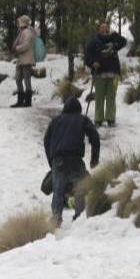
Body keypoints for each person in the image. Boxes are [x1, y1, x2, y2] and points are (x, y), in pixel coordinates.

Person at [43, 96, 101, 225]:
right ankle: (79, 217)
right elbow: (95, 136)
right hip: (75, 159)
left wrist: (51, 161)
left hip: (58, 160)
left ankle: (56, 217)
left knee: (58, 189)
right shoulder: (82, 119)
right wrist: (94, 158)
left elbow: (46, 140)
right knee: (80, 187)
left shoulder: (55, 121)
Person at [83, 22, 128, 126]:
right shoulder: (93, 42)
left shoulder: (113, 40)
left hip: (113, 74)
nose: (104, 29)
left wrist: (114, 33)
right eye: (102, 28)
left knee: (111, 98)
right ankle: (98, 119)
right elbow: (87, 57)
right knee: (99, 97)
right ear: (98, 29)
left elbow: (124, 42)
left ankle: (110, 119)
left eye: (106, 28)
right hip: (99, 74)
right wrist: (92, 63)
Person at [11, 15, 38, 108]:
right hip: (21, 60)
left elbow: (26, 45)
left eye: (19, 22)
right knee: (18, 79)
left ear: (22, 22)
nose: (18, 23)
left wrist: (17, 48)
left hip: (26, 59)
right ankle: (21, 100)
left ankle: (27, 101)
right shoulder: (22, 32)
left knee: (27, 80)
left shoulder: (27, 32)